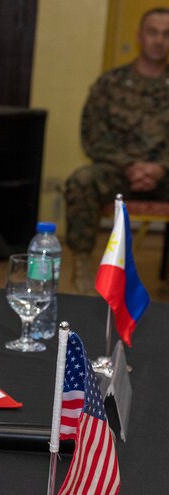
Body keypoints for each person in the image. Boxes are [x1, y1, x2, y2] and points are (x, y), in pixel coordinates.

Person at [64, 6, 169, 293]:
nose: (159, 40)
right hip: (117, 171)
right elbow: (92, 136)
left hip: (164, 175)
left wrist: (160, 167)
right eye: (153, 33)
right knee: (81, 181)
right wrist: (130, 165)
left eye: (166, 34)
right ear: (139, 37)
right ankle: (82, 269)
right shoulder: (109, 83)